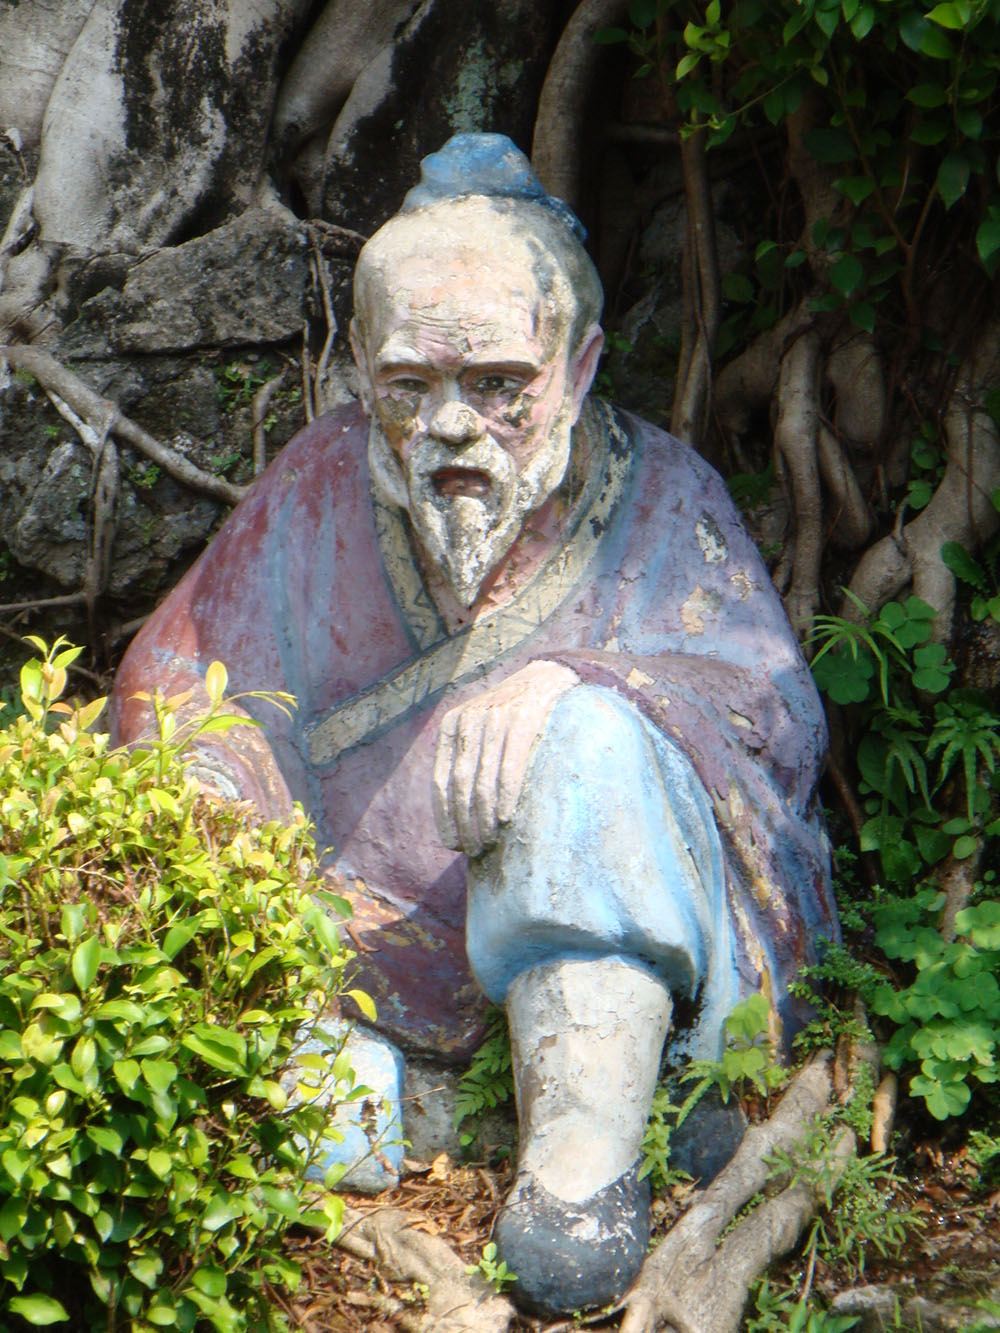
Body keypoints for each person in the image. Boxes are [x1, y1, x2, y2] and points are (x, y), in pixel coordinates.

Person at [111, 133, 837, 1317]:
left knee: (589, 734)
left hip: (612, 952)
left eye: (498, 384)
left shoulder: (661, 494)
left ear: (578, 366)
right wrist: (224, 801)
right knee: (292, 1107)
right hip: (362, 958)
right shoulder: (320, 486)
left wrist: (576, 682)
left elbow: (775, 717)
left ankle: (580, 1166)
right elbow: (181, 680)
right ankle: (448, 1113)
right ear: (361, 372)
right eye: (411, 387)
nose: (453, 425)